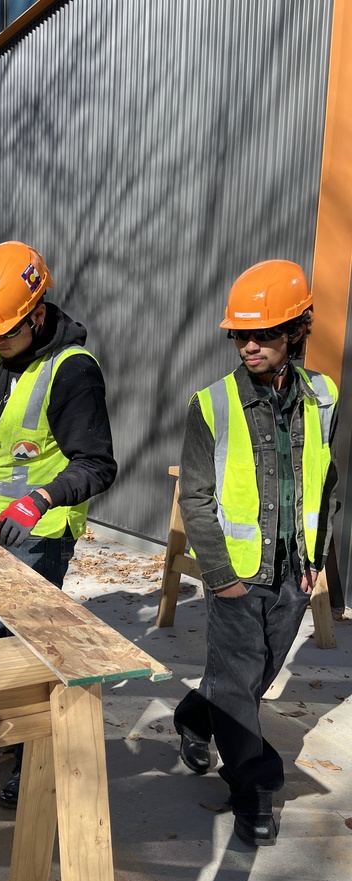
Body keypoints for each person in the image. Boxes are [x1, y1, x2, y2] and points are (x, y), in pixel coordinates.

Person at [0, 241, 117, 807]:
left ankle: (35, 753)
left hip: (40, 531)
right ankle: (3, 733)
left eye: (7, 332)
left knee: (27, 644)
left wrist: (39, 500)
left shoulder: (73, 373)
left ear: (38, 314)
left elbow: (98, 465)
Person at [173, 260, 338, 847]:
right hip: (237, 577)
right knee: (241, 687)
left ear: (295, 331)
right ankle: (254, 790)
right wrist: (221, 578)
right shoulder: (211, 406)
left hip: (294, 573)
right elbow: (195, 498)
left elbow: (327, 479)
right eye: (240, 335)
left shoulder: (324, 395)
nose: (249, 346)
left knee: (253, 677)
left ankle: (194, 715)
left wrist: (317, 558)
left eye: (263, 334)